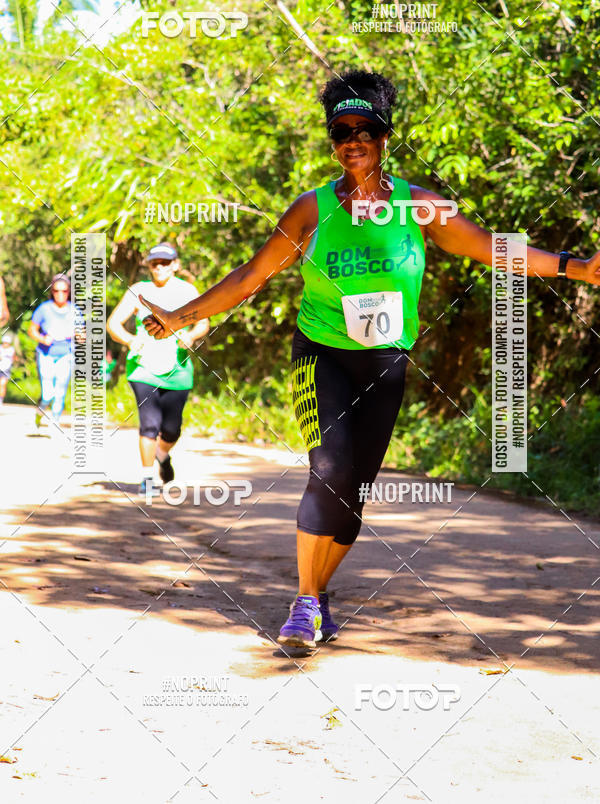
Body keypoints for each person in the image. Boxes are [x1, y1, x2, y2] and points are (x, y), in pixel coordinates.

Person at [139, 69, 600, 653]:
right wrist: (181, 317)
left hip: (384, 361)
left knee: (353, 492)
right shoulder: (310, 211)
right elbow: (251, 276)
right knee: (328, 469)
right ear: (332, 142)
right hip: (321, 354)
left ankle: (321, 592)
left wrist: (574, 266)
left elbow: (491, 248)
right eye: (341, 131)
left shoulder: (421, 207)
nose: (352, 139)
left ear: (385, 138)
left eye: (365, 129)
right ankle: (304, 604)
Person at [107, 242, 209, 495]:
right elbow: (113, 324)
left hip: (178, 368)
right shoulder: (139, 291)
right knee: (149, 424)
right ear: (149, 266)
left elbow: (203, 323)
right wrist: (131, 340)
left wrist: (192, 336)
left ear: (176, 265)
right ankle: (147, 478)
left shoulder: (187, 290)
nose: (160, 267)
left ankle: (162, 455)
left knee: (172, 428)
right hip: (143, 368)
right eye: (155, 263)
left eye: (165, 262)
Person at [29, 274, 78, 428]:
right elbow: (32, 330)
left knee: (60, 390)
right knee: (47, 394)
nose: (60, 294)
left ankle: (54, 423)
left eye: (64, 291)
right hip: (45, 355)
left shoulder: (75, 311)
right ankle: (40, 411)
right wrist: (43, 339)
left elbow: (82, 334)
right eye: (56, 291)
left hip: (66, 354)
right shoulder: (43, 309)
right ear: (52, 291)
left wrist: (79, 335)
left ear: (69, 291)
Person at [0, 329, 16, 406]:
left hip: (6, 369)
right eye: (4, 343)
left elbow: (13, 358)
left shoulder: (11, 350)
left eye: (7, 343)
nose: (6, 344)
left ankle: (0, 400)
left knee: (3, 384)